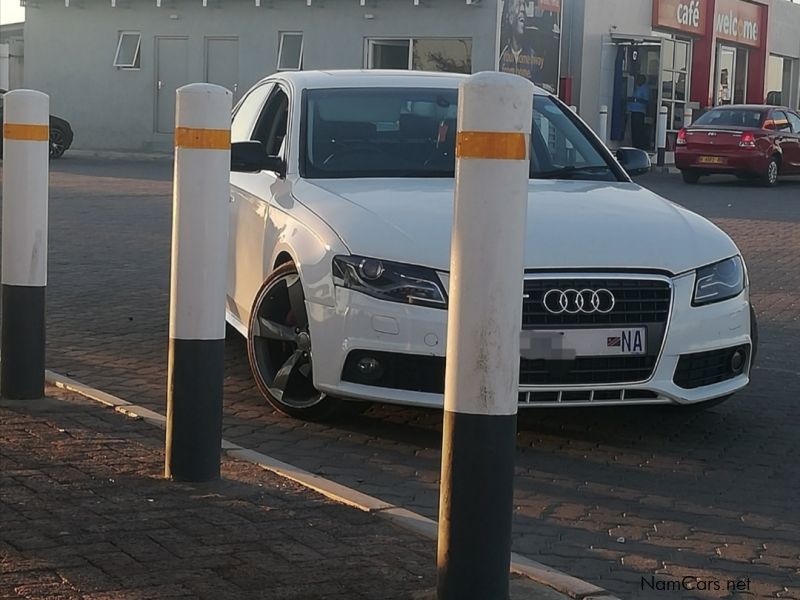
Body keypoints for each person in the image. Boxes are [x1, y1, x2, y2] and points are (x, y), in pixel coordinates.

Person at [498, 0, 545, 83]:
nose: (523, 9)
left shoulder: (533, 56)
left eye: (524, 5)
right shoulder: (500, 55)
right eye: (518, 6)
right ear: (510, 19)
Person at [627, 74, 650, 150]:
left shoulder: (645, 89)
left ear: (643, 80)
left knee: (639, 130)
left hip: (640, 112)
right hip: (633, 111)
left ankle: (639, 146)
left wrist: (636, 100)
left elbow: (646, 101)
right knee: (633, 129)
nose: (638, 80)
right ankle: (634, 145)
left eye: (640, 79)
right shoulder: (636, 87)